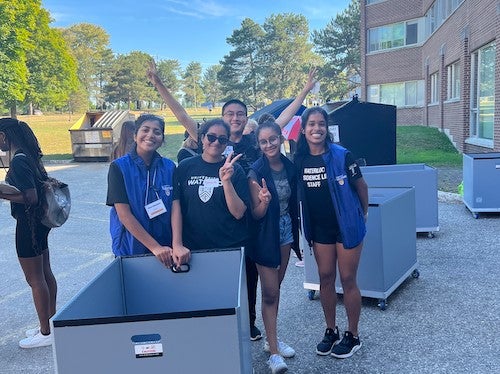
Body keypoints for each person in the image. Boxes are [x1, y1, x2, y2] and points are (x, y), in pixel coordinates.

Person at [148, 60, 317, 341]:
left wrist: (305, 91)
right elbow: (181, 115)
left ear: (246, 117)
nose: (235, 118)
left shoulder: (253, 141)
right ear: (219, 122)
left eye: (240, 114)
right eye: (230, 113)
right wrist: (159, 84)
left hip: (256, 215)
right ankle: (231, 325)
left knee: (252, 274)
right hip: (229, 218)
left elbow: (282, 120)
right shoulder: (215, 140)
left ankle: (251, 322)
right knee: (230, 276)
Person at [294, 107, 369, 359]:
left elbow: (361, 187)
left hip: (346, 226)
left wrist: (361, 214)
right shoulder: (300, 160)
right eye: (311, 124)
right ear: (303, 130)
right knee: (325, 278)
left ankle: (353, 335)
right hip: (320, 229)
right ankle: (331, 330)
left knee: (348, 279)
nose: (317, 128)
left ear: (327, 128)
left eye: (321, 124)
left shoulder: (342, 155)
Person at [0, 118, 57, 348]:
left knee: (34, 279)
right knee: (44, 274)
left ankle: (45, 333)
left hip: (28, 225)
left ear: (4, 135)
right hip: (39, 225)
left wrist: (2, 194)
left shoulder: (19, 161)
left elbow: (30, 197)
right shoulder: (29, 156)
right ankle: (50, 323)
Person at [248, 120, 299, 373]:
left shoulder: (290, 167)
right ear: (258, 145)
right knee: (269, 292)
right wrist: (265, 203)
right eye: (263, 141)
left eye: (273, 139)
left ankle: (272, 339)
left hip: (286, 231)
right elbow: (255, 215)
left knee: (275, 289)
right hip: (264, 234)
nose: (269, 145)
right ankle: (274, 355)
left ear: (281, 138)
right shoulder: (255, 172)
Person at [106, 114, 190, 268]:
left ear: (162, 139)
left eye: (157, 132)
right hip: (131, 247)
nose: (150, 135)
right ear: (135, 135)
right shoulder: (118, 168)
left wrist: (177, 244)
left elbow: (175, 207)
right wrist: (155, 247)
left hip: (166, 247)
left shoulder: (169, 167)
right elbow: (123, 214)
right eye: (145, 130)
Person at [173, 118, 249, 251]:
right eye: (211, 137)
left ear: (226, 143)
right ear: (202, 138)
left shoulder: (235, 170)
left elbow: (238, 213)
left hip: (228, 246)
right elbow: (176, 207)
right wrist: (177, 243)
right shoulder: (185, 167)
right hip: (193, 247)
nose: (216, 142)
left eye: (222, 139)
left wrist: (226, 181)